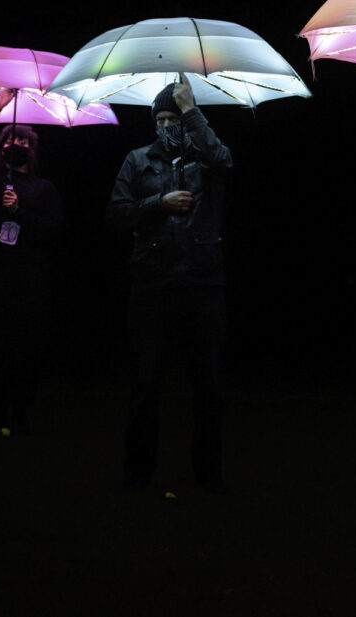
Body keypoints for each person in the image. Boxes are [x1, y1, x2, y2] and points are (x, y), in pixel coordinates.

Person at [106, 76, 233, 494]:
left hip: (201, 282)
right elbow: (117, 214)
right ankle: (137, 473)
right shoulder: (138, 159)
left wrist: (191, 109)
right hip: (153, 284)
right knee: (145, 384)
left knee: (208, 387)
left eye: (172, 117)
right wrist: (157, 204)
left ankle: (210, 476)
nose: (165, 125)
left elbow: (224, 160)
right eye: (159, 118)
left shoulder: (207, 157)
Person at [0, 89, 63, 437]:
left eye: (20, 139)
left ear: (31, 148)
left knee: (25, 348)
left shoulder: (43, 188)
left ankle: (21, 411)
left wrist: (22, 213)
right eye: (8, 139)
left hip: (29, 282)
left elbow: (53, 230)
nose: (13, 143)